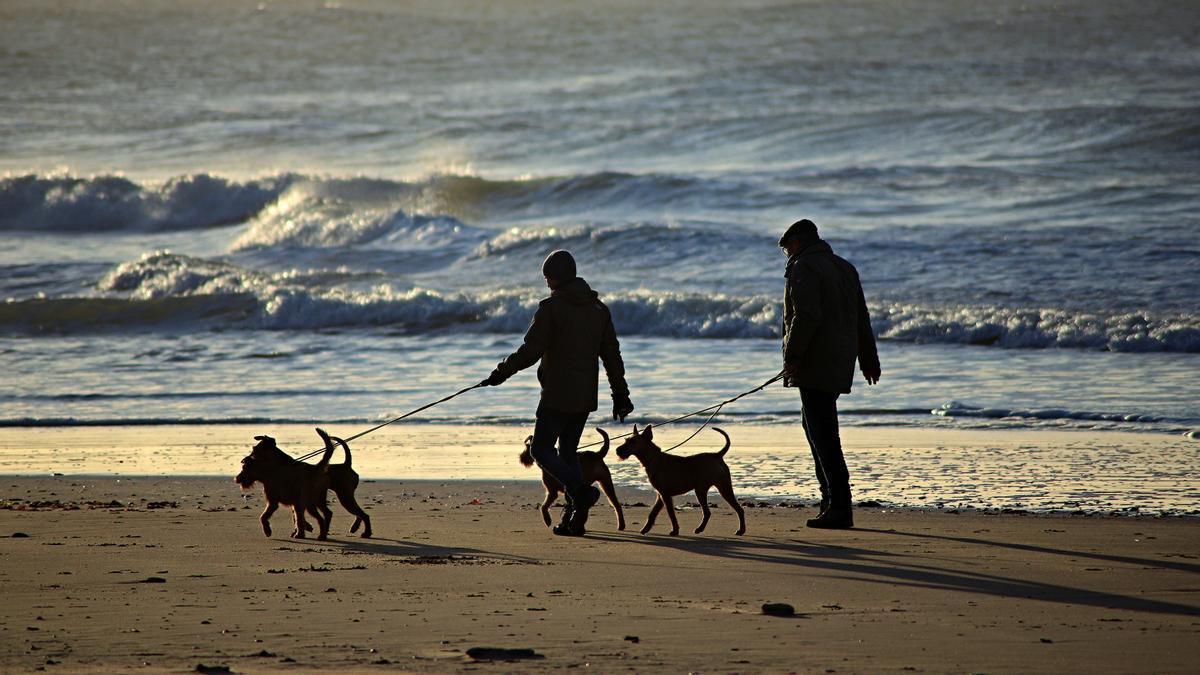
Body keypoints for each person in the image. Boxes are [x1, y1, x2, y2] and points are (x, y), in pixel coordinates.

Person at [482, 250, 634, 536]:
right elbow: (612, 356)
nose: (547, 283)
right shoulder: (598, 309)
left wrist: (501, 372)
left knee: (540, 449)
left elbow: (530, 351)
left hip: (556, 396)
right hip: (585, 397)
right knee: (566, 454)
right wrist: (621, 396)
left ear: (557, 277)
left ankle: (579, 492)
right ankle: (574, 521)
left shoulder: (551, 309)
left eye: (548, 277)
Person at [779, 219, 880, 529]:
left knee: (823, 435)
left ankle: (838, 506)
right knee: (814, 427)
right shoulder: (844, 267)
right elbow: (861, 317)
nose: (786, 254)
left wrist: (793, 356)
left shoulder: (804, 268)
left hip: (814, 361)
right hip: (839, 360)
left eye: (787, 248)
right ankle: (829, 501)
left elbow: (806, 316)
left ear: (797, 242)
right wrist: (868, 359)